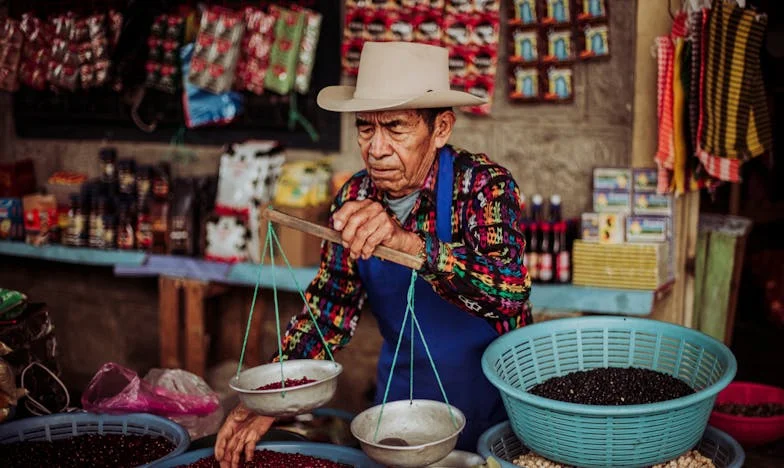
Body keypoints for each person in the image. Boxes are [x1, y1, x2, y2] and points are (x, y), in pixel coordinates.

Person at [215, 41, 533, 468]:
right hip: (402, 412)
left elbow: (509, 291)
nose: (377, 149)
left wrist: (412, 246)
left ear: (440, 128)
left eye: (396, 128)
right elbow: (330, 308)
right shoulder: (355, 196)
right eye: (366, 127)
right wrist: (271, 398)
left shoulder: (482, 187)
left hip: (495, 405)